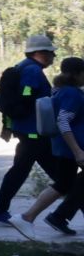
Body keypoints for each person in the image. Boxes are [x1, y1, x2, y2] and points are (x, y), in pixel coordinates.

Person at [0, 34, 62, 226]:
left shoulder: (22, 67)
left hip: (28, 131)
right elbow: (26, 96)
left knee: (24, 171)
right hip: (33, 133)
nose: (53, 57)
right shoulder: (32, 71)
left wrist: (8, 124)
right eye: (50, 53)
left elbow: (17, 100)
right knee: (61, 176)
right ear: (39, 53)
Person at [41, 57, 84, 234]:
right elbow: (63, 120)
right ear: (77, 74)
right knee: (66, 184)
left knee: (71, 184)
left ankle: (59, 216)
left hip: (63, 146)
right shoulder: (71, 93)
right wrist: (77, 151)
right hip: (71, 148)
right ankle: (49, 216)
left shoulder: (59, 90)